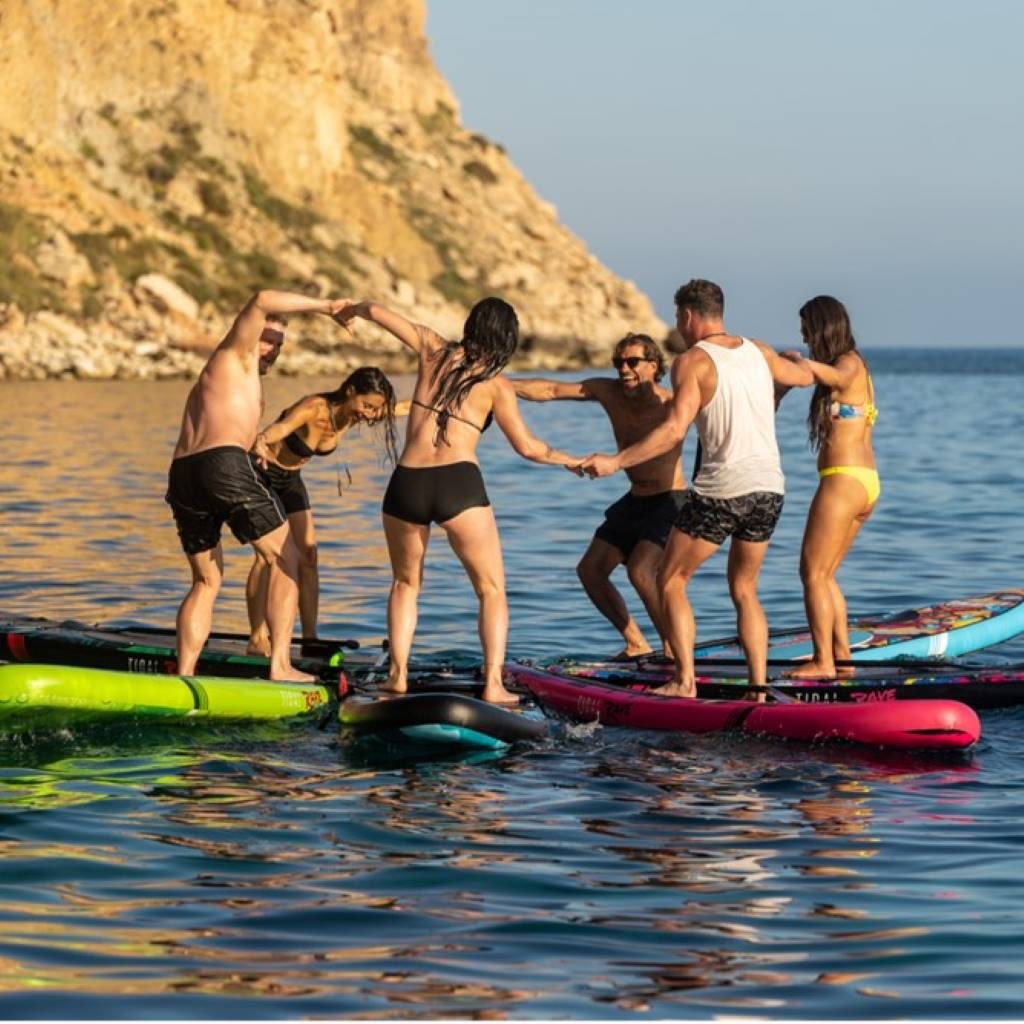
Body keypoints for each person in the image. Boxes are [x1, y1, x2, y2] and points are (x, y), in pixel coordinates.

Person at [338, 296, 583, 704]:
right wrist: (569, 459)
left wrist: (351, 308)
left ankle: (396, 676)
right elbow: (528, 448)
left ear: (471, 325)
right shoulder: (496, 385)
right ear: (506, 339)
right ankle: (493, 683)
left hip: (407, 482)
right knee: (490, 589)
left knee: (404, 584)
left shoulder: (432, 349)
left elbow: (379, 312)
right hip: (458, 483)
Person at [581, 279, 810, 698]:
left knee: (669, 579)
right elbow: (804, 375)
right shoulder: (759, 351)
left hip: (724, 488)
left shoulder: (692, 361)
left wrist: (615, 461)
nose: (678, 326)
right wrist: (786, 372)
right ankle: (758, 688)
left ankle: (684, 682)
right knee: (745, 589)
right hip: (770, 487)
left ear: (688, 315)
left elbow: (672, 430)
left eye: (677, 318)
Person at [165, 289, 350, 681]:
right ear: (249, 332)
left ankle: (184, 674)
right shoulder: (235, 353)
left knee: (207, 580)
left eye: (279, 344)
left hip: (185, 473)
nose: (272, 349)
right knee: (287, 558)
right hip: (220, 464)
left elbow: (225, 425)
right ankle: (280, 665)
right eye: (268, 339)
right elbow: (263, 297)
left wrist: (255, 448)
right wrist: (327, 308)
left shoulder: (236, 379)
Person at [513, 334, 684, 657]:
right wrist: (497, 384)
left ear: (653, 365)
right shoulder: (608, 392)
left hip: (671, 500)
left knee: (640, 571)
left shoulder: (672, 405)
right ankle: (636, 643)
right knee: (590, 570)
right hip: (635, 500)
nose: (624, 369)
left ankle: (675, 651)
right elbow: (550, 390)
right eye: (618, 362)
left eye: (632, 362)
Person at [245, 367, 405, 656]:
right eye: (366, 406)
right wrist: (261, 439)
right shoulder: (314, 407)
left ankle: (309, 639)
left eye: (374, 410)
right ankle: (257, 637)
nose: (369, 414)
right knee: (267, 556)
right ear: (350, 392)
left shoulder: (352, 415)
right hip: (263, 472)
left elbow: (401, 409)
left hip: (291, 479)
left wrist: (439, 404)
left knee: (309, 554)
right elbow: (280, 428)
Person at [781, 295, 879, 679]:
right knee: (826, 574)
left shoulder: (849, 364)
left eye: (807, 329)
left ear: (823, 327)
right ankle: (842, 659)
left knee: (812, 573)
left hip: (843, 480)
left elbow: (835, 378)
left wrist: (803, 365)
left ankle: (822, 661)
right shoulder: (855, 364)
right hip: (863, 483)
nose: (804, 336)